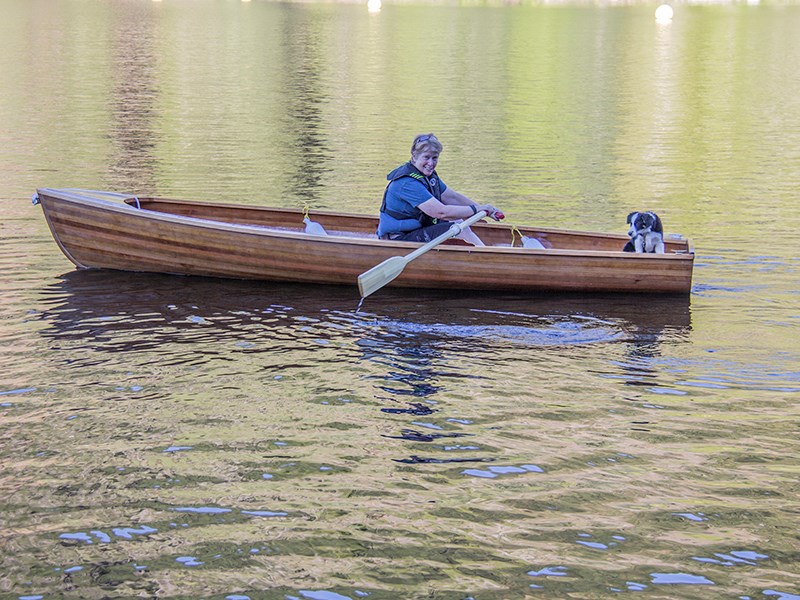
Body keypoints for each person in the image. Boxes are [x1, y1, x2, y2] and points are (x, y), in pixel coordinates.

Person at [377, 133, 504, 242]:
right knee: (457, 228)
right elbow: (441, 212)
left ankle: (482, 253)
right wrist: (477, 209)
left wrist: (485, 211)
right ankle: (487, 257)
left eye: (435, 158)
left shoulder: (428, 177)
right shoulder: (407, 183)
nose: (431, 163)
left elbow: (452, 197)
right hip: (399, 238)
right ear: (414, 156)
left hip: (416, 230)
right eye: (426, 157)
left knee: (460, 221)